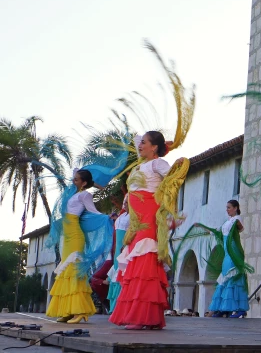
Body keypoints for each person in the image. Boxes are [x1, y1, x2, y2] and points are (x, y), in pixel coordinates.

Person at [109, 132, 189, 330]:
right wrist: (160, 143)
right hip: (138, 221)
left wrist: (177, 165)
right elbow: (137, 138)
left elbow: (171, 183)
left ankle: (140, 317)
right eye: (140, 143)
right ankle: (150, 317)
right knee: (141, 263)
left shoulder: (157, 164)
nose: (140, 145)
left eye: (145, 143)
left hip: (150, 216)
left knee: (144, 264)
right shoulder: (140, 165)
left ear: (153, 147)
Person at [46, 169, 112, 324]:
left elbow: (93, 211)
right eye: (73, 179)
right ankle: (69, 311)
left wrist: (107, 218)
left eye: (76, 180)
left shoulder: (85, 195)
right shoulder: (73, 194)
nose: (73, 181)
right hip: (67, 236)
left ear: (83, 183)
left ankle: (80, 311)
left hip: (75, 235)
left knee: (75, 271)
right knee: (66, 271)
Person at [208, 200, 251, 318]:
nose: (227, 210)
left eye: (229, 207)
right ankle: (224, 308)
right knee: (225, 277)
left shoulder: (237, 218)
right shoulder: (227, 221)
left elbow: (240, 228)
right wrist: (204, 227)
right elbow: (218, 231)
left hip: (234, 251)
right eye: (226, 207)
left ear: (235, 208)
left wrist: (237, 225)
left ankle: (240, 308)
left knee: (234, 276)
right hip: (227, 252)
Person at [106, 193, 130, 313]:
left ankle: (121, 308)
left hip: (126, 247)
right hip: (117, 249)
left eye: (127, 201)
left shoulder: (133, 217)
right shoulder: (122, 216)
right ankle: (114, 307)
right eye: (124, 201)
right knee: (116, 272)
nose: (125, 203)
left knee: (122, 273)